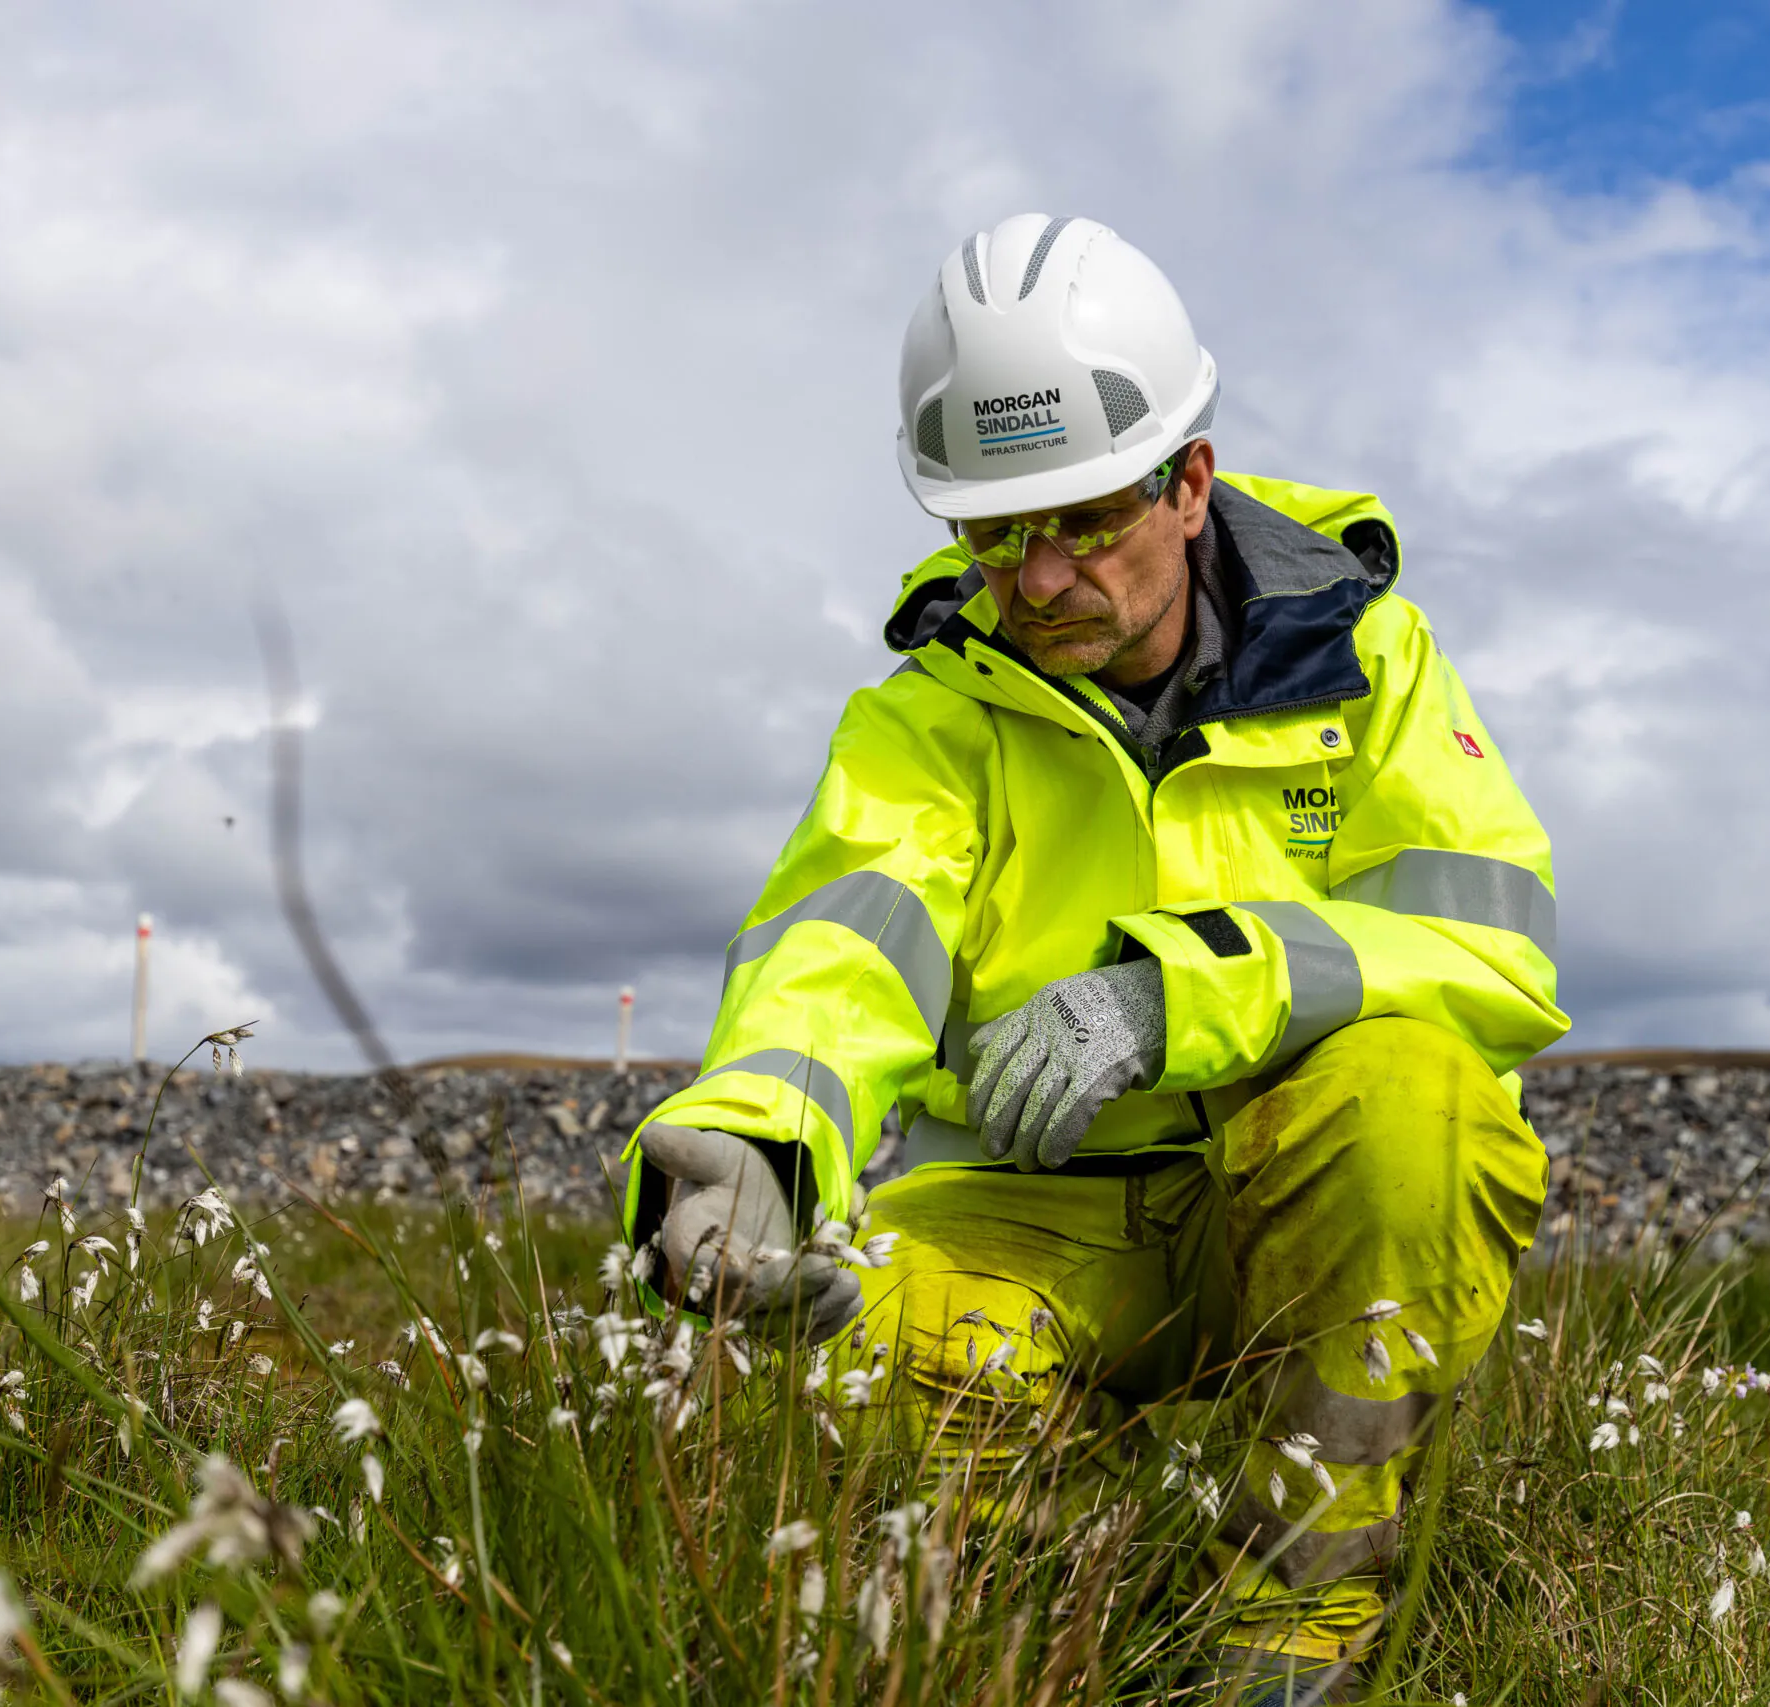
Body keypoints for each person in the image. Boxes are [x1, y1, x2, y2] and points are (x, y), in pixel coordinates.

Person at [623, 213, 1566, 1703]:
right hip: (1017, 1225)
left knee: (1420, 1107)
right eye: (992, 533)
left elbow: (1494, 949)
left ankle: (1286, 1637)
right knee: (871, 1340)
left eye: (1078, 520)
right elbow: (843, 946)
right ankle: (1059, 1617)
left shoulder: (1368, 660)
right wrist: (758, 1142)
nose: (1039, 575)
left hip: (1273, 1202)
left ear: (1190, 482)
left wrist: (1177, 991)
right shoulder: (926, 721)